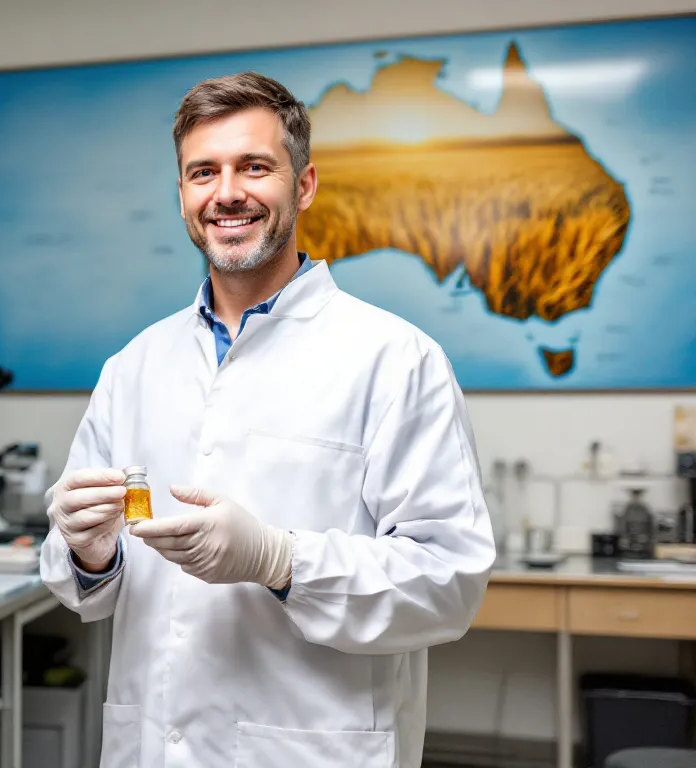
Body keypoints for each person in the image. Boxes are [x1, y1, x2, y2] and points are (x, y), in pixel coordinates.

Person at [40, 71, 496, 768]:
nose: (227, 193)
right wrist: (88, 552)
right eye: (203, 172)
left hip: (312, 748)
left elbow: (449, 584)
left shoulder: (395, 359)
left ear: (303, 185)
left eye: (254, 167)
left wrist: (281, 561)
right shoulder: (133, 366)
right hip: (151, 746)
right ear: (183, 194)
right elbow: (85, 585)